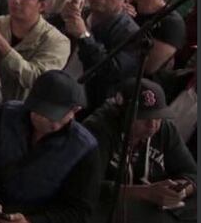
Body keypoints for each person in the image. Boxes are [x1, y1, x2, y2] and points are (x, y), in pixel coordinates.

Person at [0, 70, 100, 223]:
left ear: (75, 110)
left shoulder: (84, 149)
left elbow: (78, 211)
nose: (42, 118)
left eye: (53, 116)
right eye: (39, 110)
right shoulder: (6, 115)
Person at [83, 79, 196, 207]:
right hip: (100, 212)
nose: (152, 125)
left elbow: (193, 175)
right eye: (143, 117)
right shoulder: (98, 130)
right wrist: (143, 193)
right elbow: (86, 186)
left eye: (158, 116)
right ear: (121, 114)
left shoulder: (165, 129)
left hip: (146, 216)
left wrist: (179, 190)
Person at [0, 0, 71, 101]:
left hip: (24, 111)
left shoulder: (57, 41)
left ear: (42, 5)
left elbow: (36, 79)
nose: (16, 0)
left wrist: (1, 43)